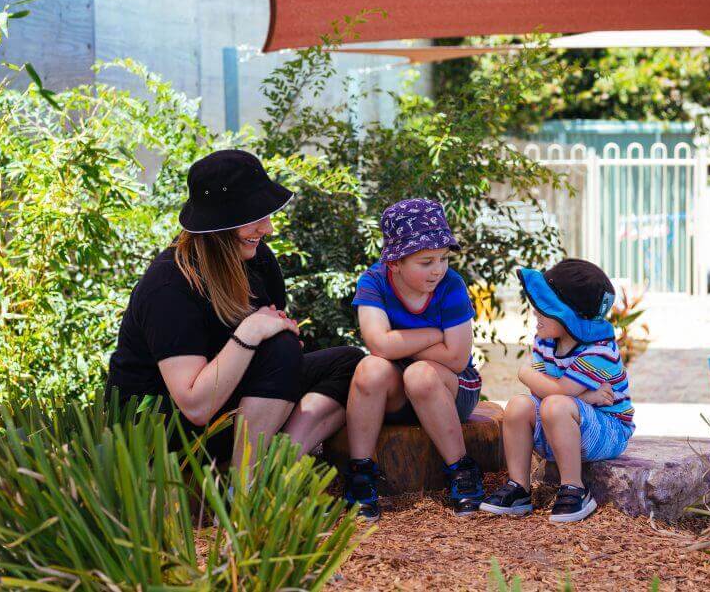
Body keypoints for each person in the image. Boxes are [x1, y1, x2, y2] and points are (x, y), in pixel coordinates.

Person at [106, 149, 364, 467]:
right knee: (280, 349)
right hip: (161, 428)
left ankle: (272, 471)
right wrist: (252, 332)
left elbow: (273, 355)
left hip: (229, 407)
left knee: (350, 365)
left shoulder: (259, 262)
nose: (268, 228)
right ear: (220, 225)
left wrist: (279, 341)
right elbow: (195, 406)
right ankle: (245, 489)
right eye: (256, 217)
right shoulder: (169, 286)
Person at [344, 198, 484, 521]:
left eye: (443, 258)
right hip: (397, 387)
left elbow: (457, 357)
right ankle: (361, 472)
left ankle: (460, 467)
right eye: (426, 261)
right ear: (394, 263)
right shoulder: (374, 282)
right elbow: (378, 344)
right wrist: (435, 334)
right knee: (369, 369)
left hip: (452, 387)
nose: (438, 269)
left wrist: (399, 343)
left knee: (419, 375)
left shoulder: (450, 286)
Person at [480, 259, 634, 523]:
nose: (536, 316)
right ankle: (519, 488)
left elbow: (554, 390)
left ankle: (575, 489)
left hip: (608, 430)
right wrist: (586, 397)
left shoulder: (599, 350)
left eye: (544, 310)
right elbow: (544, 393)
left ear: (569, 316)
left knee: (555, 404)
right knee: (518, 405)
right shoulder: (545, 341)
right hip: (563, 423)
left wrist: (524, 372)